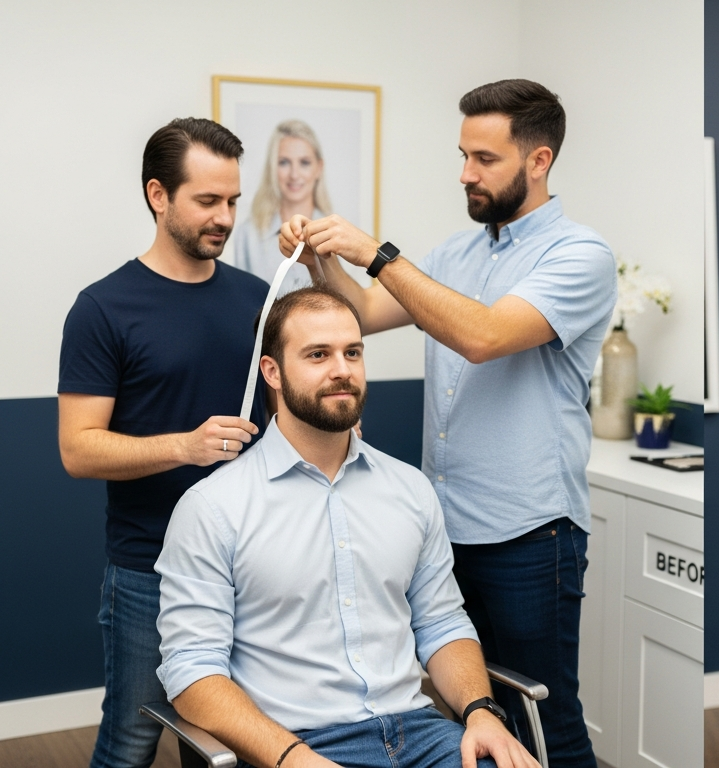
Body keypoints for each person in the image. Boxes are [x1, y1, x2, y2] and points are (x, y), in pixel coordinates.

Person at [278, 79, 615, 768]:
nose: (465, 173)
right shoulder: (456, 254)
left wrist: (378, 253)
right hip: (447, 527)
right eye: (463, 155)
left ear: (539, 160)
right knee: (476, 713)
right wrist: (320, 262)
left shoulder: (580, 255)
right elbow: (365, 312)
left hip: (529, 532)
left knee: (547, 721)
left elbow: (484, 335)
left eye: (484, 159)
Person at [156, 287, 538, 768]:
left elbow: (441, 623)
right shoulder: (213, 508)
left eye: (352, 352)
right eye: (318, 354)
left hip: (420, 732)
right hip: (296, 743)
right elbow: (192, 672)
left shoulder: (409, 489)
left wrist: (481, 713)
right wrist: (295, 758)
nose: (342, 369)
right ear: (272, 371)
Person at [57, 118, 268, 768]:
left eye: (232, 200)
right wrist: (185, 447)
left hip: (252, 565)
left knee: (230, 743)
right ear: (158, 195)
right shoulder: (103, 308)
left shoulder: (258, 298)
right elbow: (78, 449)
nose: (225, 217)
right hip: (149, 570)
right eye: (207, 200)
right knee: (130, 743)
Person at [229, 120, 333, 293]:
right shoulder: (247, 234)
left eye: (304, 162)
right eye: (284, 162)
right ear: (272, 168)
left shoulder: (335, 233)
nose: (294, 175)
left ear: (318, 168)